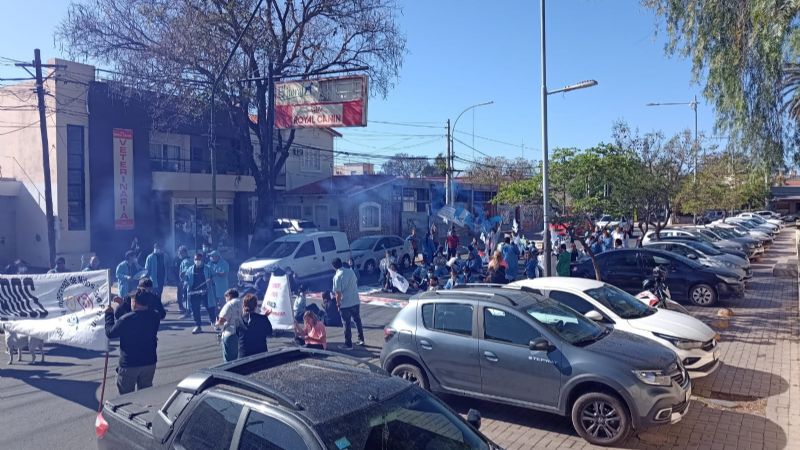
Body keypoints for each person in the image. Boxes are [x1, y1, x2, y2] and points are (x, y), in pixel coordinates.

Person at [105, 290, 161, 395]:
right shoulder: (155, 316)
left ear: (134, 302)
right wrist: (122, 305)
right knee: (145, 395)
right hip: (149, 362)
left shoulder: (126, 320)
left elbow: (110, 333)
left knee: (126, 397)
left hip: (129, 364)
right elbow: (137, 317)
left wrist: (109, 315)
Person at [332, 257, 363, 350]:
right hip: (355, 300)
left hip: (345, 303)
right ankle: (361, 339)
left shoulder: (337, 277)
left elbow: (338, 293)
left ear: (333, 267)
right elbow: (356, 281)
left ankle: (348, 344)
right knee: (357, 320)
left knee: (347, 323)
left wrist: (338, 304)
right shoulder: (350, 271)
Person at [184, 253, 217, 334]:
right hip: (194, 292)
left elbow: (214, 277)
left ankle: (214, 323)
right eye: (196, 259)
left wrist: (211, 280)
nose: (197, 261)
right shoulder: (190, 269)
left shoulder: (208, 269)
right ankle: (198, 326)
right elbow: (186, 279)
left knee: (210, 308)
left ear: (202, 260)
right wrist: (185, 280)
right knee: (195, 309)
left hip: (206, 291)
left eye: (199, 259)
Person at [237, 293, 272, 358]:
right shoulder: (263, 319)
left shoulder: (239, 320)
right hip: (260, 355)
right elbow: (269, 332)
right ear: (256, 306)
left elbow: (238, 335)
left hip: (243, 357)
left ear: (243, 306)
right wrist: (264, 318)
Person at [215, 288, 243, 362]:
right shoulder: (243, 301)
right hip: (244, 333)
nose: (225, 300)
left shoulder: (229, 304)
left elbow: (222, 320)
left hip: (231, 334)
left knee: (229, 361)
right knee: (242, 359)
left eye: (226, 297)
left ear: (229, 296)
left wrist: (217, 324)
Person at [173, 246, 191, 315]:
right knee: (180, 292)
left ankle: (188, 308)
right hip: (179, 279)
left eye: (181, 252)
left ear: (185, 252)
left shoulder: (187, 260)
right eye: (179, 252)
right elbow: (174, 270)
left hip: (185, 280)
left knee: (186, 294)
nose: (180, 253)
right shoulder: (176, 259)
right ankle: (181, 306)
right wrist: (176, 280)